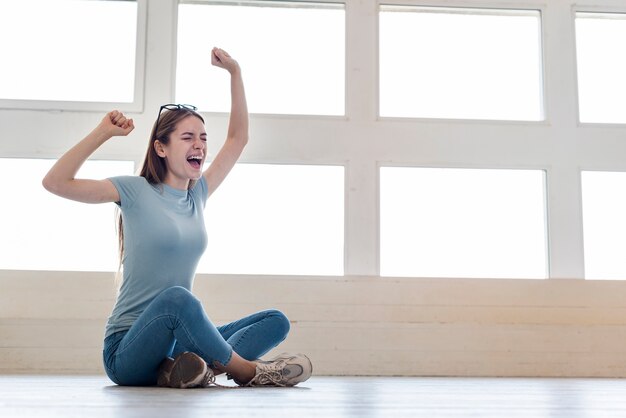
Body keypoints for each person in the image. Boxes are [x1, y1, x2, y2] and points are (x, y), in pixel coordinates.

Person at [42, 47, 312, 388]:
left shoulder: (197, 195)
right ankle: (247, 371)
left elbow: (238, 138)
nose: (198, 145)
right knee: (177, 298)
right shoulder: (134, 190)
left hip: (175, 344)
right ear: (161, 148)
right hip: (127, 351)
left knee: (276, 321)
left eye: (202, 138)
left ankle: (186, 370)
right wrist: (103, 132)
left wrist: (235, 73)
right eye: (187, 138)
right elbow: (55, 183)